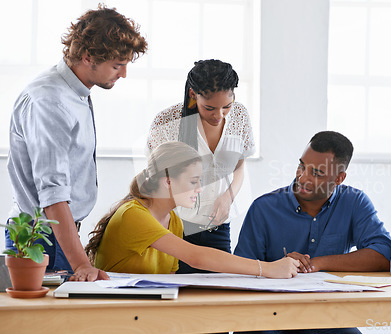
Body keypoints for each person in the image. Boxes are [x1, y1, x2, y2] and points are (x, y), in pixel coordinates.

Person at [6, 5, 147, 282]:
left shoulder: (75, 93)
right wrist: (82, 263)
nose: (124, 74)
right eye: (117, 65)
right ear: (87, 57)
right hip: (40, 237)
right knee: (41, 325)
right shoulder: (51, 101)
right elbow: (53, 192)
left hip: (57, 236)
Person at [234, 131, 391, 334]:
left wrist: (317, 263)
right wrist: (274, 268)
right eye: (302, 166)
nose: (303, 177)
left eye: (317, 173)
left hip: (327, 317)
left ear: (339, 178)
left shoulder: (354, 202)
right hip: (268, 317)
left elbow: (384, 254)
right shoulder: (263, 208)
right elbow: (238, 271)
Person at [85, 142, 299, 278]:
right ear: (168, 182)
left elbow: (169, 277)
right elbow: (196, 256)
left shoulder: (173, 221)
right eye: (193, 181)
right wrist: (267, 269)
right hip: (115, 313)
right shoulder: (133, 214)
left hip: (144, 312)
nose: (199, 189)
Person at [147, 59, 255, 273]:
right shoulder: (167, 122)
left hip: (218, 227)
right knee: (178, 298)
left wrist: (228, 197)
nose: (219, 115)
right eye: (210, 108)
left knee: (218, 295)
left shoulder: (240, 116)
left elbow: (240, 167)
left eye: (227, 106)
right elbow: (157, 183)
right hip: (175, 229)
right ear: (192, 95)